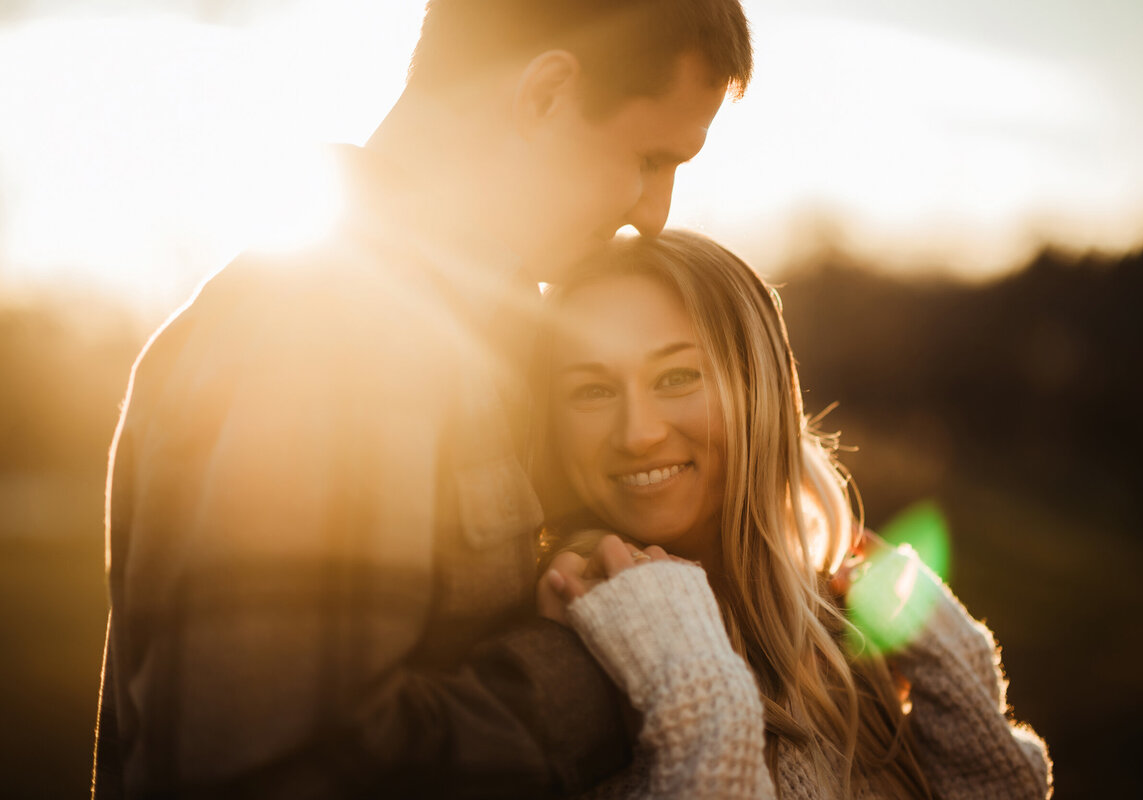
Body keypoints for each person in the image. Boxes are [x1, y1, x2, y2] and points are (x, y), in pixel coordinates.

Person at [92, 2, 753, 797]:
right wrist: (604, 661)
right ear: (545, 95)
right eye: (650, 159)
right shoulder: (345, 324)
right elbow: (278, 766)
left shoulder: (432, 330)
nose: (654, 213)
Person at [533, 230, 1053, 798]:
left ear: (763, 388)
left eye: (677, 376)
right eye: (591, 389)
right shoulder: (573, 646)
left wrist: (958, 677)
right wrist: (695, 700)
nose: (637, 434)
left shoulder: (847, 630)